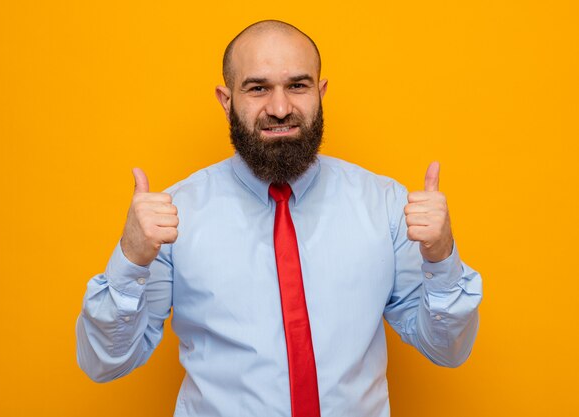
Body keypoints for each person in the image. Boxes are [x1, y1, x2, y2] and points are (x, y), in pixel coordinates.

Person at [76, 20, 482, 417]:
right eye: (258, 88)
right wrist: (130, 260)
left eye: (298, 86)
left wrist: (441, 257)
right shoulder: (175, 217)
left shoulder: (385, 206)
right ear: (226, 99)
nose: (281, 108)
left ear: (320, 92)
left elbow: (447, 350)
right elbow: (106, 363)